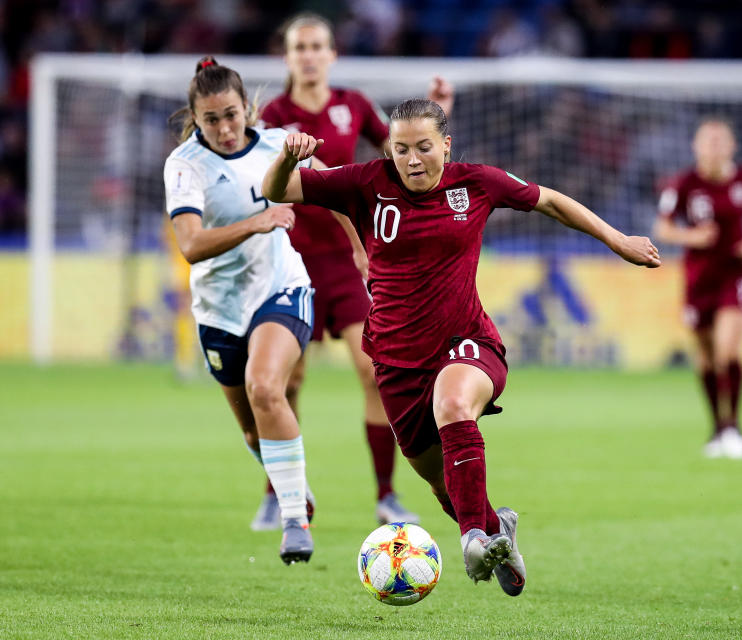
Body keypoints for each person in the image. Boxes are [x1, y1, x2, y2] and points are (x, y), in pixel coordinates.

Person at [262, 98, 660, 595]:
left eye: (424, 148)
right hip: (395, 363)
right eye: (401, 148)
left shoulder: (477, 183)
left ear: (445, 146)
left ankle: (473, 538)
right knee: (443, 484)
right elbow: (275, 189)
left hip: (467, 342)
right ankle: (496, 530)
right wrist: (287, 157)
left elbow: (553, 201)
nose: (411, 159)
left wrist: (618, 239)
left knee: (453, 404)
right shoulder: (366, 183)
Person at [253, 12, 455, 529]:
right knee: (288, 381)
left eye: (318, 45)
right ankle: (278, 493)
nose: (309, 55)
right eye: (300, 46)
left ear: (332, 53)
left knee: (372, 370)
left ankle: (387, 494)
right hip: (290, 264)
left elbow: (403, 153)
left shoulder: (354, 105)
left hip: (347, 265)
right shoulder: (272, 115)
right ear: (288, 56)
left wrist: (440, 114)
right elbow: (261, 184)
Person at [164, 56, 321, 564]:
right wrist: (257, 222)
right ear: (195, 118)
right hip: (218, 309)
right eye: (211, 119)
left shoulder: (279, 144)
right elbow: (191, 245)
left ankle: (294, 519)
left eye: (231, 114)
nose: (225, 128)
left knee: (264, 386)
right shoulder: (186, 165)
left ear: (247, 107)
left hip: (282, 287)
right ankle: (293, 482)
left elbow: (342, 190)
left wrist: (362, 250)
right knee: (252, 430)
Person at [653, 117, 742, 459]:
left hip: (736, 273)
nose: (714, 147)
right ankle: (717, 429)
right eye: (707, 141)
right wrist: (690, 236)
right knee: (706, 357)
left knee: (728, 351)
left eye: (720, 140)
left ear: (732, 146)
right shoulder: (682, 184)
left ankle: (735, 426)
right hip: (699, 279)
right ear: (696, 147)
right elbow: (662, 228)